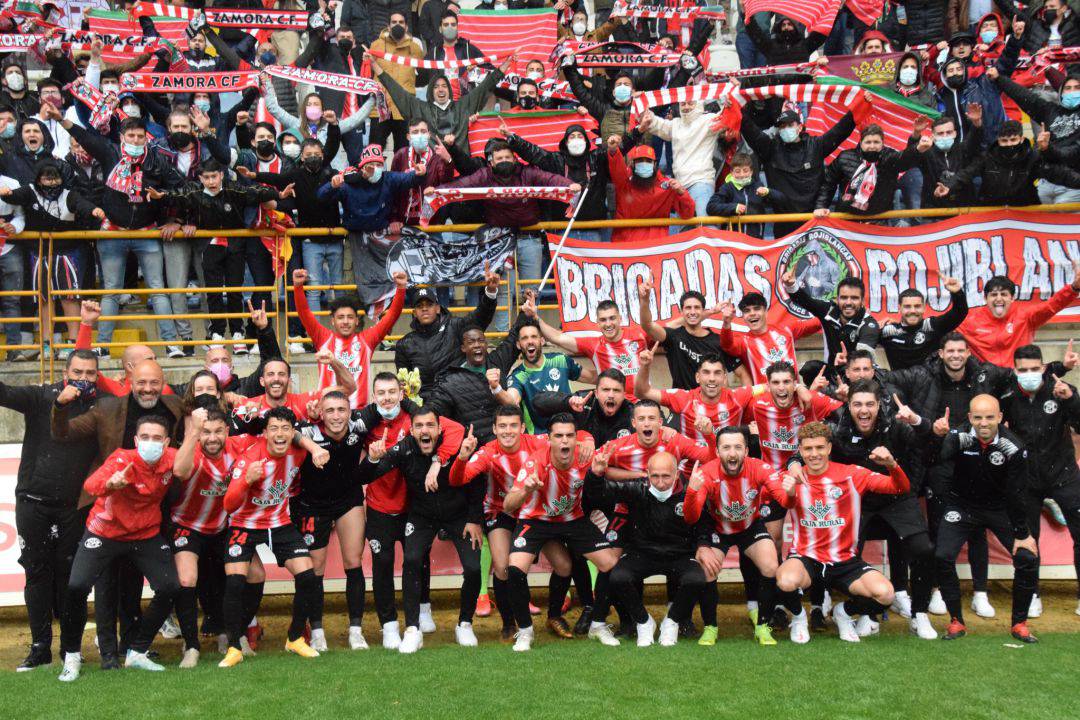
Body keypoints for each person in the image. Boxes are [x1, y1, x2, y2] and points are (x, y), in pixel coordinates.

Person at [796, 380, 938, 639]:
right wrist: (795, 463)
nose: (864, 410)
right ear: (848, 406)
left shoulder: (896, 427)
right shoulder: (838, 430)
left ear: (879, 405)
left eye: (869, 404)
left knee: (923, 549)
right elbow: (811, 447)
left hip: (896, 496)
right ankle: (863, 614)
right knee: (849, 555)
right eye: (858, 404)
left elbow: (923, 451)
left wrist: (899, 470)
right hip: (859, 502)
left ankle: (920, 615)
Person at [58, 415, 183, 681]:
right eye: (145, 438)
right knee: (77, 586)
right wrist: (110, 484)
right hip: (105, 532)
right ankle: (71, 656)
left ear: (167, 442)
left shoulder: (172, 458)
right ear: (136, 440)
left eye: (157, 438)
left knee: (170, 586)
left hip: (145, 534)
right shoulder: (121, 459)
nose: (151, 443)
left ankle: (137, 652)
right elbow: (90, 485)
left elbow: (190, 466)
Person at [50, 109, 187, 349]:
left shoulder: (159, 161)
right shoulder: (110, 153)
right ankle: (102, 346)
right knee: (111, 291)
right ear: (122, 137)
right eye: (131, 136)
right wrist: (61, 119)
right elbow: (86, 138)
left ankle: (171, 344)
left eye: (140, 136)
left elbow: (183, 190)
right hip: (112, 232)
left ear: (146, 138)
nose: (135, 141)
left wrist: (174, 217)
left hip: (147, 232)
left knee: (158, 289)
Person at [774, 421, 911, 644]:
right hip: (806, 558)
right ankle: (799, 618)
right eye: (808, 449)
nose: (814, 454)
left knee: (886, 594)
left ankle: (844, 613)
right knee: (785, 581)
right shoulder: (792, 478)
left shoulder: (852, 475)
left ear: (829, 448)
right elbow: (786, 502)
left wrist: (892, 465)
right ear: (800, 451)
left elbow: (900, 488)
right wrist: (789, 491)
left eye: (819, 448)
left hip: (844, 560)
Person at [5, 350, 99, 671]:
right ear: (65, 372)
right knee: (36, 573)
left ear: (97, 376)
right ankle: (39, 646)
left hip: (74, 507)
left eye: (90, 373)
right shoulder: (41, 396)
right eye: (77, 372)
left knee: (71, 579)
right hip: (32, 502)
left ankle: (69, 648)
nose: (83, 379)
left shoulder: (101, 407)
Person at [451, 406, 580, 640]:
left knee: (564, 566)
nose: (508, 431)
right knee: (502, 568)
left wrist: (588, 439)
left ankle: (554, 616)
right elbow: (459, 479)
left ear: (522, 428)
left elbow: (572, 439)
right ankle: (509, 623)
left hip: (534, 514)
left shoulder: (540, 442)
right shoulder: (487, 452)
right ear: (494, 429)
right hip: (500, 512)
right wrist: (462, 458)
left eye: (513, 426)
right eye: (502, 426)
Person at [359, 407, 476, 653]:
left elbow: (476, 481)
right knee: (412, 559)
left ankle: (465, 623)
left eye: (430, 426)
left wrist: (474, 518)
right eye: (419, 426)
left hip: (458, 516)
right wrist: (372, 458)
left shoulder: (455, 446)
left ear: (439, 429)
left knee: (474, 568)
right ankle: (413, 629)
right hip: (422, 516)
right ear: (411, 431)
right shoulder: (405, 449)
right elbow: (366, 476)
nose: (425, 431)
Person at [218, 407, 328, 667]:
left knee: (308, 576)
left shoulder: (298, 450)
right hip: (244, 525)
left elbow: (304, 440)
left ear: (293, 433)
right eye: (274, 429)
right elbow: (228, 505)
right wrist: (246, 480)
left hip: (279, 523)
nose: (280, 435)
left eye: (285, 429)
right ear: (265, 433)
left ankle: (294, 638)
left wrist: (314, 449)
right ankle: (234, 646)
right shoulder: (249, 459)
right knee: (237, 582)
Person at [503, 414, 621, 652]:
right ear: (549, 440)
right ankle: (525, 631)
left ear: (576, 439)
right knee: (515, 568)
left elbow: (612, 474)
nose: (564, 441)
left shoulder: (585, 458)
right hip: (536, 520)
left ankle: (597, 625)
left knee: (609, 563)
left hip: (572, 519)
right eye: (558, 436)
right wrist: (526, 489)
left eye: (569, 436)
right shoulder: (535, 462)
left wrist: (602, 472)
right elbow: (508, 505)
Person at [929, 395, 1039, 642]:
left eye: (990, 417)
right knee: (942, 556)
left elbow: (1017, 492)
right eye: (978, 417)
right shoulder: (959, 437)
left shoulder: (1014, 447)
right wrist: (938, 438)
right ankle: (956, 621)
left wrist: (1022, 533)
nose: (984, 423)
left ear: (1000, 417)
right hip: (961, 505)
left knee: (1027, 557)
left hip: (1000, 508)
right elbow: (936, 459)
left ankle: (1019, 623)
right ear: (970, 418)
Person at [147, 159, 284, 354]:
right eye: (206, 178)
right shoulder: (193, 191)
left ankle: (237, 333)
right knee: (213, 291)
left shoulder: (234, 189)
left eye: (214, 177)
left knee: (235, 289)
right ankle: (217, 333)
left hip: (235, 246)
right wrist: (160, 196)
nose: (211, 181)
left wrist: (277, 194)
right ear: (200, 178)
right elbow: (176, 196)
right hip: (210, 247)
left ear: (221, 175)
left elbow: (257, 192)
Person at [588, 451, 707, 647]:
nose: (660, 482)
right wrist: (596, 474)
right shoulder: (637, 489)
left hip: (678, 555)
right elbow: (599, 493)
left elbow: (702, 523)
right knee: (617, 576)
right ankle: (644, 622)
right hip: (642, 553)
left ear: (677, 474)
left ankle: (672, 622)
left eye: (666, 476)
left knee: (696, 578)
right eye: (655, 476)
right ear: (647, 473)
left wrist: (703, 545)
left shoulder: (690, 490)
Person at [170, 406, 256, 668]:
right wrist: (193, 433)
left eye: (218, 431)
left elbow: (275, 436)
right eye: (206, 432)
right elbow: (180, 472)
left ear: (227, 432)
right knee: (187, 578)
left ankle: (234, 634)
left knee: (255, 575)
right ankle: (191, 645)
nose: (212, 438)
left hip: (223, 527)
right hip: (187, 526)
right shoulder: (192, 450)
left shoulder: (239, 447)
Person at [1000, 346, 1080, 617]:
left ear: (1044, 368)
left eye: (1035, 369)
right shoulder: (1009, 396)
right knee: (1027, 538)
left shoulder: (1060, 389)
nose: (1029, 374)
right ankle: (1031, 593)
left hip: (1064, 476)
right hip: (1028, 481)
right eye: (1023, 370)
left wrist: (1071, 400)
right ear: (1015, 371)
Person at [684, 427, 782, 646]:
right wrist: (691, 492)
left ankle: (763, 626)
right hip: (719, 529)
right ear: (717, 451)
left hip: (750, 527)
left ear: (746, 450)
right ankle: (711, 627)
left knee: (770, 565)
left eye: (738, 447)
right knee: (707, 569)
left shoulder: (758, 468)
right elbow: (691, 518)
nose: (732, 453)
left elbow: (783, 499)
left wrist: (790, 492)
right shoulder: (707, 473)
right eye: (726, 447)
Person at [292, 392, 372, 652]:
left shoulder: (359, 425)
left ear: (350, 412)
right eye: (330, 411)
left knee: (353, 563)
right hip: (312, 506)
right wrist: (313, 446)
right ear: (321, 414)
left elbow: (389, 407)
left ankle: (356, 631)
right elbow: (288, 431)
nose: (336, 416)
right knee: (315, 570)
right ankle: (317, 631)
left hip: (348, 501)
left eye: (341, 409)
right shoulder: (308, 430)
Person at [740, 98, 865, 235]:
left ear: (800, 127)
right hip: (784, 224)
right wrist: (736, 107)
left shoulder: (816, 146)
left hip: (814, 221)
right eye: (781, 126)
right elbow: (749, 129)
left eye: (789, 125)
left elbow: (840, 130)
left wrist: (861, 104)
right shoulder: (770, 148)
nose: (785, 129)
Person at [292, 268, 407, 408]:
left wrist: (401, 288)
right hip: (328, 412)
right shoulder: (322, 338)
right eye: (340, 317)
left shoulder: (367, 340)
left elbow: (392, 315)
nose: (345, 322)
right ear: (332, 321)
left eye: (350, 317)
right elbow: (304, 313)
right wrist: (298, 287)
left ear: (357, 321)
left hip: (359, 413)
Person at [370, 52, 511, 157]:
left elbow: (486, 85)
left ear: (449, 90)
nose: (441, 89)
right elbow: (396, 90)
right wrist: (374, 64)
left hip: (461, 168)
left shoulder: (463, 105)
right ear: (431, 91)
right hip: (432, 169)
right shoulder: (421, 108)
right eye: (436, 87)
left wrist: (506, 63)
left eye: (444, 86)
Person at [957, 260, 1080, 367]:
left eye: (1004, 294)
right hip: (985, 382)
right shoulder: (970, 320)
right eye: (994, 295)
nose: (999, 299)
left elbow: (1052, 305)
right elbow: (943, 327)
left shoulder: (1025, 316)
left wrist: (1074, 287)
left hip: (1018, 381)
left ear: (1012, 298)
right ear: (985, 298)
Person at [937, 117, 1080, 205]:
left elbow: (1059, 173)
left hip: (1025, 213)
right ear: (998, 140)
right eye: (1004, 141)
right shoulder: (987, 157)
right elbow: (966, 174)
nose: (1009, 144)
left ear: (1022, 139)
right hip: (992, 213)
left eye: (1013, 140)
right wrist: (949, 186)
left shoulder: (1033, 158)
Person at [992, 66, 1080, 205]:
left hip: (1073, 187)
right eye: (1067, 88)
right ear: (1061, 93)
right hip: (1046, 184)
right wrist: (999, 79)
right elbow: (1025, 96)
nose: (1072, 92)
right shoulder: (1051, 111)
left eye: (1077, 88)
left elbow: (1073, 153)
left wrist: (1047, 149)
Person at [635, 349, 759, 446]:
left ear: (725, 378)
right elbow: (642, 392)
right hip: (690, 471)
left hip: (727, 468)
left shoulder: (737, 396)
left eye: (717, 373)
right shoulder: (682, 398)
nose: (712, 378)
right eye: (706, 372)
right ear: (697, 377)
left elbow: (768, 387)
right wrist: (645, 366)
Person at [394, 286, 498, 402]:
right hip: (426, 406)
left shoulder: (455, 326)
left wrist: (490, 294)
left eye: (429, 305)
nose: (424, 309)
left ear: (438, 308)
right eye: (419, 306)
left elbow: (479, 318)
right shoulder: (405, 344)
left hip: (459, 398)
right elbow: (405, 385)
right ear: (414, 313)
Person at [495, 316, 596, 434]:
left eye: (534, 336)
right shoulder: (519, 375)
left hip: (567, 434)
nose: (530, 341)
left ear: (542, 341)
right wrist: (496, 387)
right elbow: (512, 401)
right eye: (524, 338)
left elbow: (592, 377)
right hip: (539, 440)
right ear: (518, 344)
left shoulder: (560, 360)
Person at [529, 296, 650, 395]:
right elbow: (558, 338)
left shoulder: (639, 335)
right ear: (597, 323)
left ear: (620, 319)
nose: (608, 324)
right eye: (603, 320)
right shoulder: (594, 345)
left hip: (644, 405)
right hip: (614, 409)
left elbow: (665, 333)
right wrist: (535, 317)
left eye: (612, 318)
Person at [636, 284, 747, 389]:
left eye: (697, 307)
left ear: (703, 310)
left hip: (712, 406)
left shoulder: (718, 341)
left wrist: (745, 403)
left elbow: (742, 373)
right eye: (688, 308)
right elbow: (648, 325)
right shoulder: (673, 336)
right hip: (682, 406)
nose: (692, 312)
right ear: (681, 311)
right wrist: (644, 300)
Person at [814, 123, 930, 217]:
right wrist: (820, 206)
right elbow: (828, 183)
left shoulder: (889, 156)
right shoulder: (845, 157)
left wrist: (918, 148)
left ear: (882, 143)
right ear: (860, 142)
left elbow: (905, 159)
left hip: (878, 220)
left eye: (876, 142)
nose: (872, 146)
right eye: (868, 142)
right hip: (847, 219)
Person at [637, 100, 726, 216]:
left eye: (690, 103)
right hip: (680, 186)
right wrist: (641, 103)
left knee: (705, 227)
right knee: (686, 231)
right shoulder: (675, 124)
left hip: (701, 182)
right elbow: (653, 123)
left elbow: (727, 117)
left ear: (698, 104)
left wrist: (724, 98)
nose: (686, 107)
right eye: (683, 104)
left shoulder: (708, 120)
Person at [718, 292, 820, 384]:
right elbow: (727, 345)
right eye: (747, 311)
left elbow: (818, 323)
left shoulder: (786, 330)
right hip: (764, 402)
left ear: (766, 312)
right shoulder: (744, 341)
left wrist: (833, 307)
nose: (752, 313)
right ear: (743, 317)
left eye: (757, 308)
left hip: (795, 396)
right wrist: (726, 323)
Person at [781, 273, 881, 365]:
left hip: (858, 375)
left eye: (854, 298)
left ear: (862, 301)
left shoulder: (869, 324)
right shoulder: (828, 310)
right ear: (837, 299)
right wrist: (791, 285)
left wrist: (847, 360)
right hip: (832, 373)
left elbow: (863, 359)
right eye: (844, 297)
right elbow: (806, 301)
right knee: (809, 368)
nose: (848, 302)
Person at [606, 141, 695, 243]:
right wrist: (613, 151)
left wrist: (681, 193)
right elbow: (617, 169)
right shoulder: (624, 184)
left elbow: (688, 214)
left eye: (648, 161)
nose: (644, 164)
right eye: (640, 161)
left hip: (655, 247)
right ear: (632, 164)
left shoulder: (667, 187)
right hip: (626, 246)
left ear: (654, 164)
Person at [367, 13, 424, 149]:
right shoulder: (376, 46)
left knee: (402, 152)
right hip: (381, 107)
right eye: (394, 22)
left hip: (404, 108)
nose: (397, 25)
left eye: (401, 22)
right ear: (388, 26)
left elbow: (423, 75)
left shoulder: (415, 48)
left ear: (406, 26)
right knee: (374, 150)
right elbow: (368, 73)